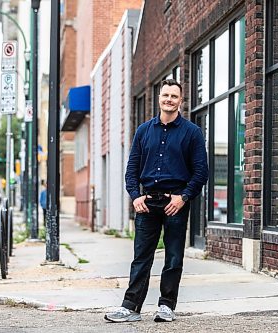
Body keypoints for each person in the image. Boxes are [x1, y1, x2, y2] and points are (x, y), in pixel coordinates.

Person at [105, 79, 208, 323]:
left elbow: (201, 172)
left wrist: (184, 197)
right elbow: (132, 170)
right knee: (141, 257)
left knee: (173, 257)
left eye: (174, 96)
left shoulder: (192, 132)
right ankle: (131, 308)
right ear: (159, 98)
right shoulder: (143, 131)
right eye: (165, 95)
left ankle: (166, 306)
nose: (169, 99)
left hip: (176, 203)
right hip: (147, 202)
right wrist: (135, 195)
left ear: (180, 101)